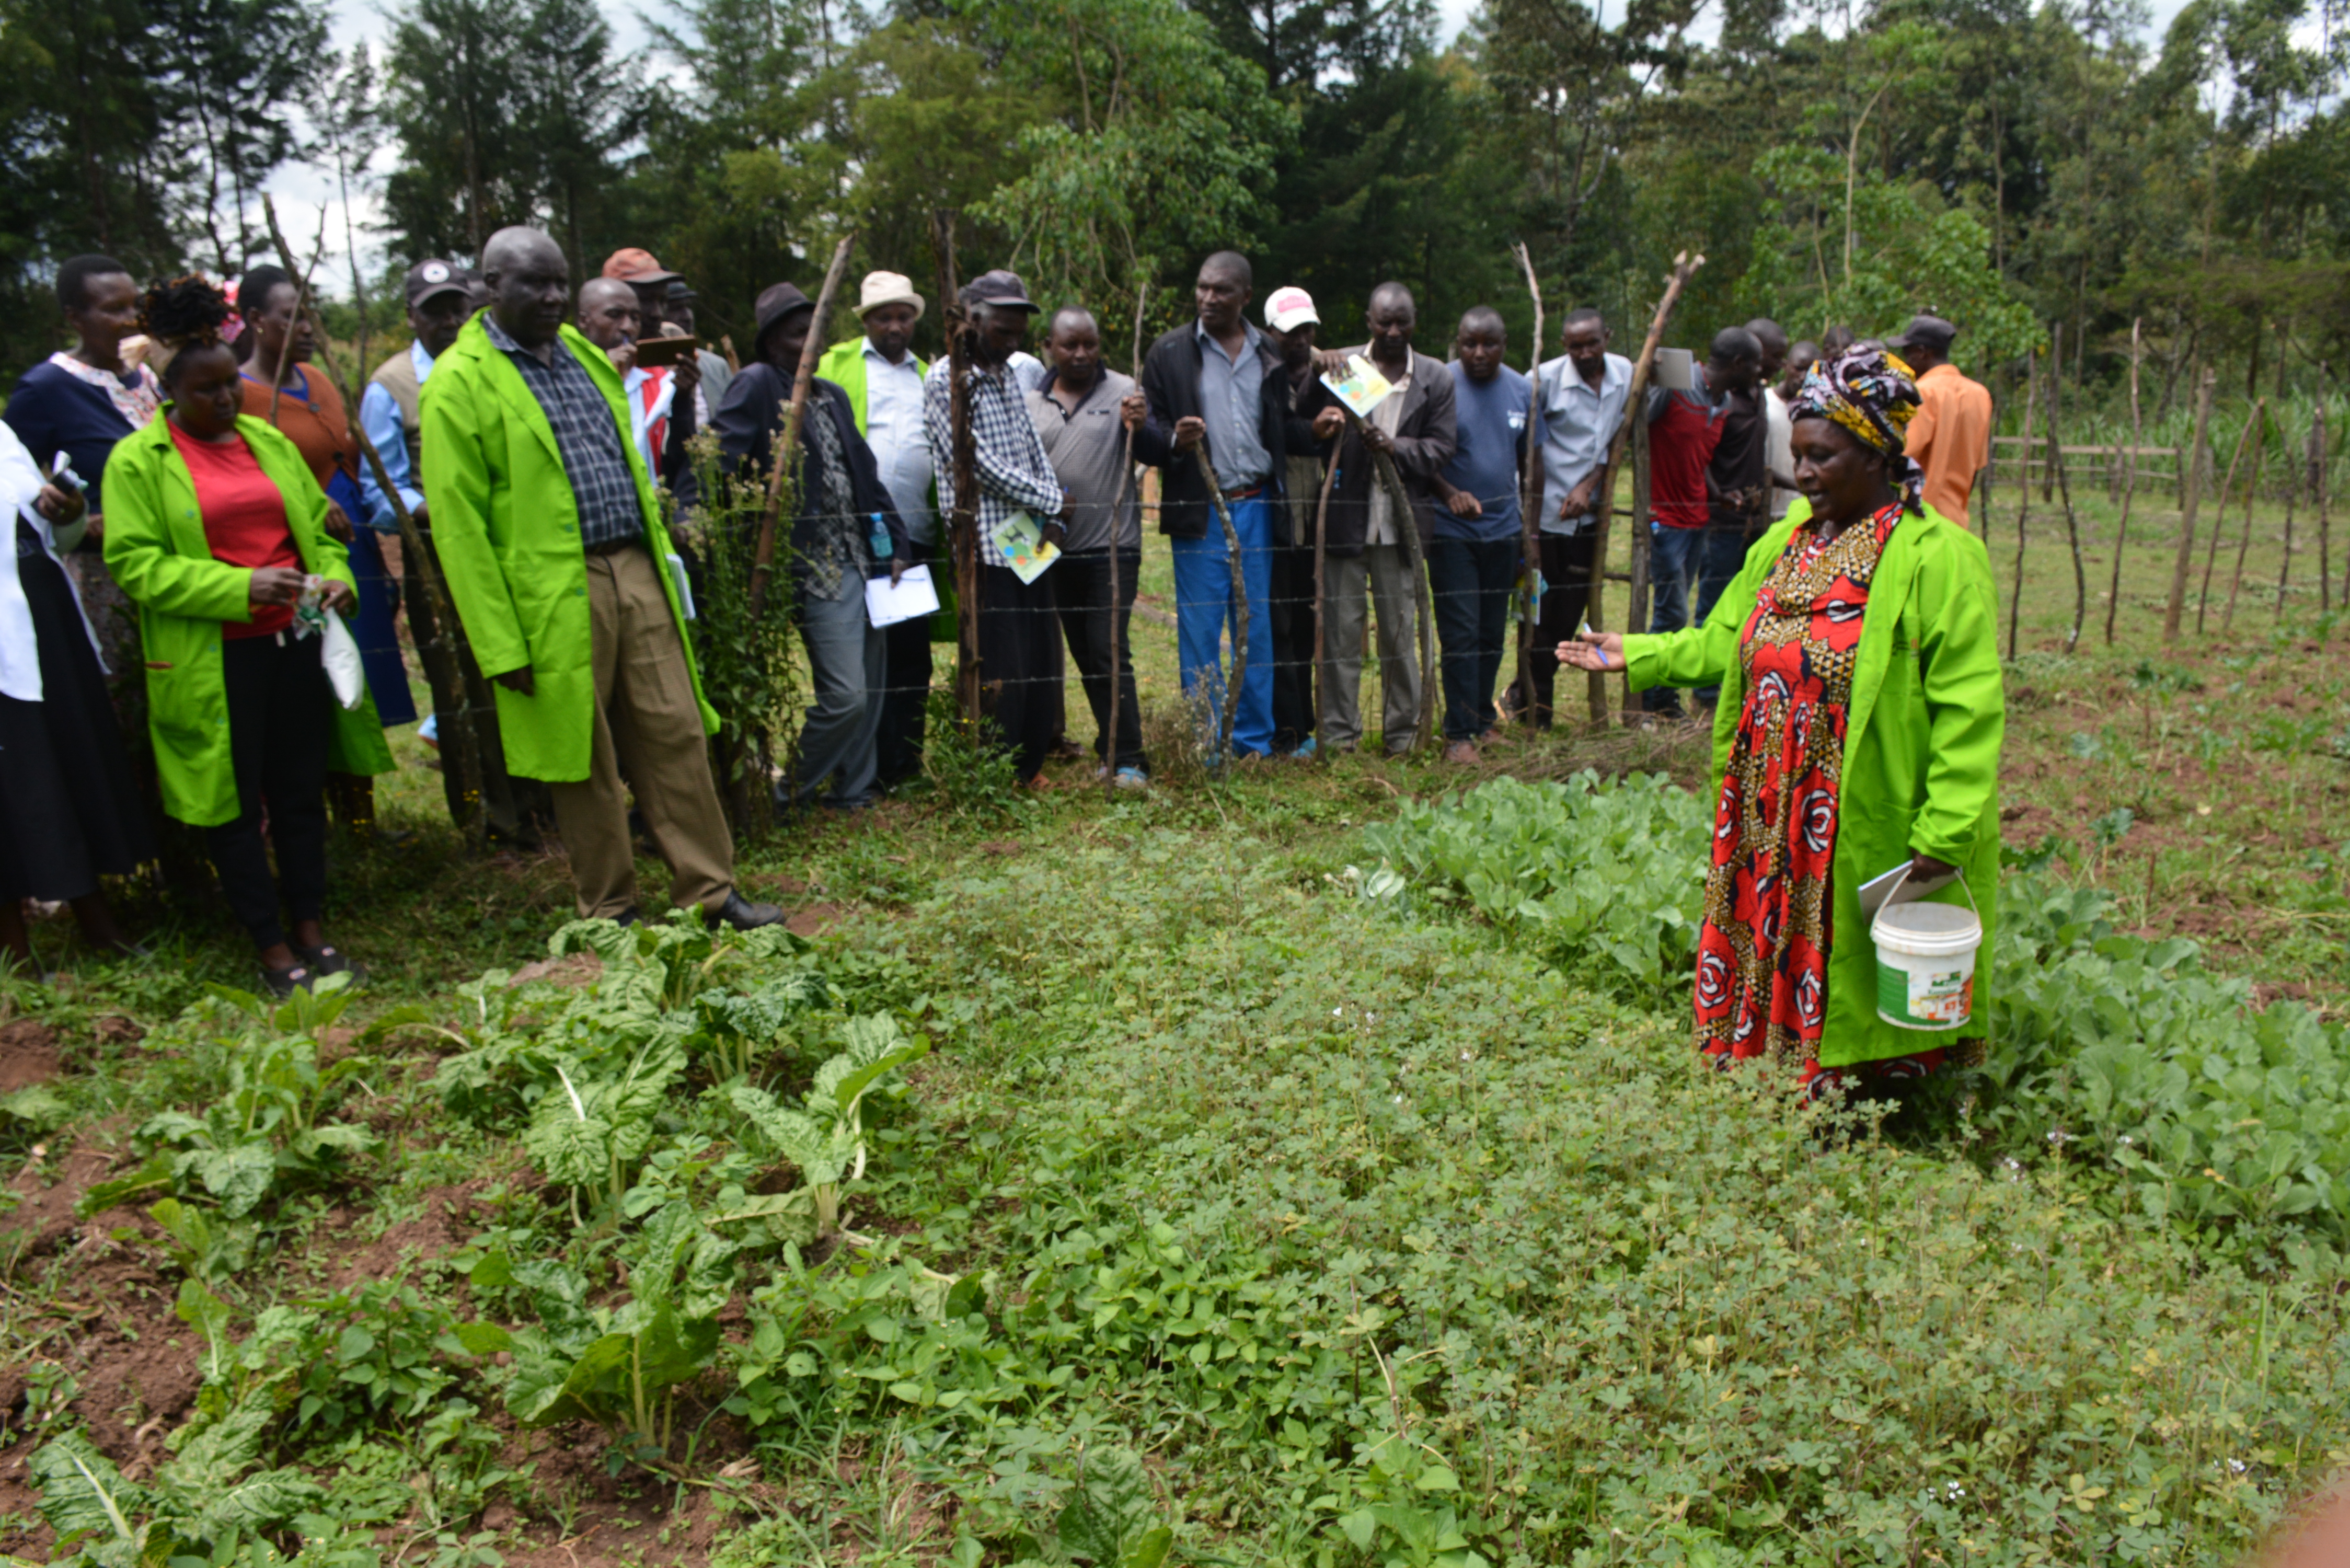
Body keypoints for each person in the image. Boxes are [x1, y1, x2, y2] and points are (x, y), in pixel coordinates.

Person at [1556, 344, 2004, 1098]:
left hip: (1853, 797)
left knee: (1845, 935)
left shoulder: (1939, 558)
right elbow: (1727, 640)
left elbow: (1970, 709)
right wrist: (1635, 652)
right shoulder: (1788, 540)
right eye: (1798, 456)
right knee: (1775, 916)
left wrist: (1946, 830)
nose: (1803, 475)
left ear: (1878, 455)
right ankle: (1775, 1059)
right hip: (1770, 795)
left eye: (1823, 458)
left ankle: (1856, 1086)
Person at [420, 226, 781, 929]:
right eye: (535, 284)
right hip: (552, 588)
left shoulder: (584, 357)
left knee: (673, 728)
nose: (554, 295)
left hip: (634, 565)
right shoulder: (459, 382)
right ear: (492, 289)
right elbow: (459, 530)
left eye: (561, 280)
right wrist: (501, 646)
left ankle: (709, 893)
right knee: (582, 751)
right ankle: (610, 909)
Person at [106, 278, 378, 996]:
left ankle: (312, 926)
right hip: (214, 655)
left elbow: (316, 527)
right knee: (232, 797)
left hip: (292, 641)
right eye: (208, 392)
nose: (227, 400)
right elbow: (136, 565)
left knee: (296, 787)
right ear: (171, 393)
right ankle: (269, 942)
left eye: (231, 385)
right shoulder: (138, 463)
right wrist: (237, 588)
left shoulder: (264, 440)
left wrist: (333, 574)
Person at [360, 260, 544, 841]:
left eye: (458, 307)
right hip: (440, 561)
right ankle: (485, 816)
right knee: (463, 684)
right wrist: (440, 513)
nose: (449, 320)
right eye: (434, 310)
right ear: (410, 316)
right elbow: (381, 490)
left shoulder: (494, 367)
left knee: (529, 674)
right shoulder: (390, 386)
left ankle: (542, 804)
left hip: (515, 553)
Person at [715, 282, 912, 812]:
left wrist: (895, 540)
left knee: (870, 687)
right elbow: (722, 459)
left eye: (814, 332)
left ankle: (853, 788)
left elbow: (865, 475)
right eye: (796, 333)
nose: (808, 342)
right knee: (844, 694)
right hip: (815, 564)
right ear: (771, 340)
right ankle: (787, 793)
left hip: (862, 555)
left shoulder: (831, 393)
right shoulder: (756, 385)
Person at [235, 266, 405, 825]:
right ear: (256, 321)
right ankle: (317, 814)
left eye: (310, 314)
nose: (307, 326)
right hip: (298, 555)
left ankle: (362, 817)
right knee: (320, 674)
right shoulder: (238, 396)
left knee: (364, 676)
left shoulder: (318, 380)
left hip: (349, 549)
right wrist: (309, 503)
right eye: (292, 317)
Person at [0, 416, 152, 971]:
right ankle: (13, 947)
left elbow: (48, 538)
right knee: (16, 777)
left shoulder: (2, 435)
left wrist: (64, 515)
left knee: (64, 759)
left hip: (43, 618)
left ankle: (97, 921)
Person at [1139, 251, 1297, 760]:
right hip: (1199, 509)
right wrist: (1174, 443)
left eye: (1221, 291)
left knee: (1254, 628)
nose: (1208, 298)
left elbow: (1280, 425)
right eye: (1203, 288)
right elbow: (1146, 434)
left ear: (1245, 297)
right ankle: (1204, 744)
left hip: (1256, 504)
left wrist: (1313, 433)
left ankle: (1252, 743)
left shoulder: (1267, 352)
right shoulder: (1168, 353)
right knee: (1201, 629)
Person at [921, 271, 1067, 785]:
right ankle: (999, 769)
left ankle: (1029, 766)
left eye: (1017, 334)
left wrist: (1051, 511)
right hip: (981, 539)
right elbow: (976, 463)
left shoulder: (1007, 373)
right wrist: (1052, 498)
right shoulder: (946, 382)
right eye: (1001, 331)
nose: (1011, 343)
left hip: (1023, 532)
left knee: (1037, 649)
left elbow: (1031, 450)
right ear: (971, 320)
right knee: (1000, 658)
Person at [1307, 281, 1457, 755]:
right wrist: (1324, 413)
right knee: (1340, 635)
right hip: (1347, 521)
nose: (1393, 331)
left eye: (1402, 322)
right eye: (1384, 322)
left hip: (1403, 525)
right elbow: (1305, 421)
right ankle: (1339, 736)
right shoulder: (1344, 365)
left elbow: (1441, 447)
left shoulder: (1434, 377)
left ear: (1415, 323)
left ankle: (1405, 737)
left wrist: (1398, 448)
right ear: (1369, 322)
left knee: (1399, 635)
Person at [1027, 306, 1173, 786]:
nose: (1083, 353)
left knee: (1109, 648)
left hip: (1113, 546)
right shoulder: (1032, 401)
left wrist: (1143, 424)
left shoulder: (1124, 390)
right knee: (1085, 654)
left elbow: (1153, 452)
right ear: (1049, 346)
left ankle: (1131, 758)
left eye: (1090, 343)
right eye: (1070, 345)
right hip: (1052, 551)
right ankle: (1109, 747)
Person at [4, 256, 165, 676]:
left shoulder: (149, 379)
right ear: (75, 317)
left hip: (174, 569)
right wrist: (75, 519)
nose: (131, 321)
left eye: (135, 306)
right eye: (114, 309)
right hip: (105, 581)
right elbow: (11, 481)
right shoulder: (47, 389)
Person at [816, 271, 935, 791]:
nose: (894, 325)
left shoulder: (928, 374)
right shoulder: (836, 365)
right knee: (860, 657)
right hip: (855, 537)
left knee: (909, 655)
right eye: (884, 316)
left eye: (903, 316)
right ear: (866, 321)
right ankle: (853, 770)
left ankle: (900, 764)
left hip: (914, 537)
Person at [1508, 308, 1630, 729]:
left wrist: (1591, 484)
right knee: (1539, 613)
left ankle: (1525, 693)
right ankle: (1533, 707)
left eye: (1592, 343)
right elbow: (1526, 450)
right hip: (1545, 517)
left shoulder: (1624, 375)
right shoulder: (1542, 380)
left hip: (1588, 516)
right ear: (1564, 346)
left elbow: (1619, 433)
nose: (1585, 352)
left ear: (1606, 338)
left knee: (1568, 613)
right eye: (1576, 346)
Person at [1431, 305, 1535, 763]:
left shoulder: (1522, 389)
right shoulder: (1441, 384)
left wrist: (1529, 527)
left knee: (1492, 632)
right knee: (1461, 633)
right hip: (1452, 532)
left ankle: (1482, 721)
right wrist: (1449, 493)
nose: (1478, 353)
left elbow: (1533, 460)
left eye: (1488, 344)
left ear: (1504, 344)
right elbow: (1423, 457)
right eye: (1469, 343)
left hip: (1504, 531)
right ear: (1458, 342)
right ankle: (1458, 734)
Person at [1641, 326, 1758, 716]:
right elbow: (1638, 425)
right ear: (1739, 363)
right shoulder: (1679, 378)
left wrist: (1717, 492)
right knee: (1671, 612)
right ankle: (1657, 700)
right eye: (1755, 364)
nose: (1760, 373)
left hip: (1697, 518)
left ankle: (1666, 695)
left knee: (1683, 612)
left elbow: (1700, 456)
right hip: (1665, 517)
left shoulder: (1723, 401)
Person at [1262, 285, 1323, 756]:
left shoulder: (1329, 371)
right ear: (1271, 334)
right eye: (1290, 332)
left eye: (1306, 330)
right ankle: (1287, 727)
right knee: (1278, 626)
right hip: (1275, 520)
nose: (1299, 339)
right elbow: (1273, 432)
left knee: (1306, 624)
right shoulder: (1262, 376)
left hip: (1317, 519)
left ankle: (1306, 722)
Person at [577, 276, 702, 503]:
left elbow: (678, 459)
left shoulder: (657, 381)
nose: (628, 327)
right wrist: (604, 375)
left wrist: (682, 401)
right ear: (584, 321)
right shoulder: (569, 377)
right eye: (615, 315)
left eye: (635, 318)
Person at [1891, 314, 1992, 528]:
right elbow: (1976, 465)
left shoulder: (1922, 393)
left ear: (1922, 353)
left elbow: (1902, 457)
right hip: (1957, 520)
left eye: (1907, 354)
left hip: (1919, 518)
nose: (1905, 363)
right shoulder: (1980, 395)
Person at [662, 280, 734, 411]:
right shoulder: (643, 368)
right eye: (676, 309)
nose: (688, 317)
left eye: (689, 307)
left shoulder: (716, 366)